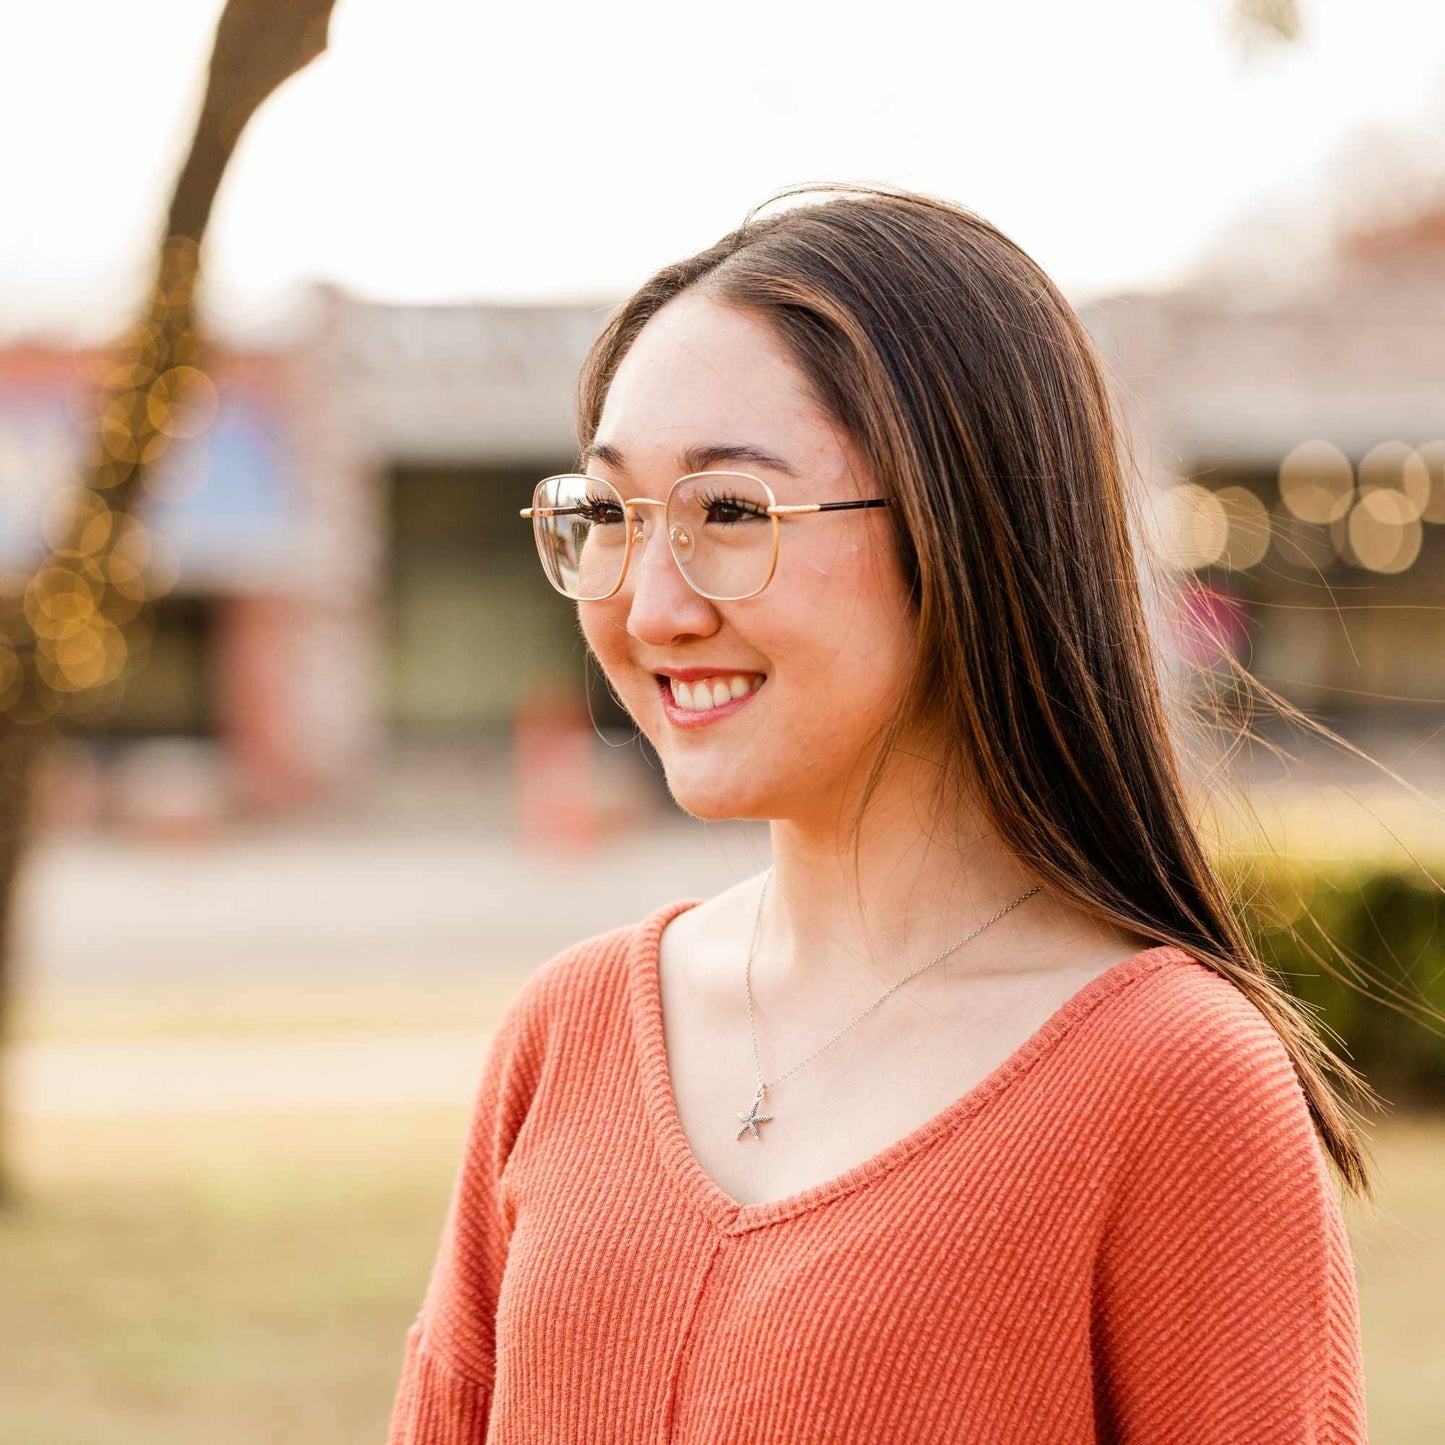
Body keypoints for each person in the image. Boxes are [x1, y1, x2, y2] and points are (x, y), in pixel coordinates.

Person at [388, 183, 1373, 1443]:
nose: (649, 607)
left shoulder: (1172, 1083)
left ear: (964, 530)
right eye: (612, 514)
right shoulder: (563, 1036)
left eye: (728, 511)